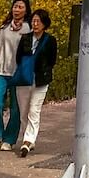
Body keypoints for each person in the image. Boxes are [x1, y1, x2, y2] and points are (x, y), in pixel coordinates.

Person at [0, 0, 32, 150]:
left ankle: (9, 139)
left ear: (26, 10)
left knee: (16, 107)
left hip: (18, 73)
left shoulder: (28, 28)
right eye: (15, 6)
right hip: (2, 71)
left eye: (20, 7)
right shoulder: (5, 27)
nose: (17, 9)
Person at [15, 9, 57, 158]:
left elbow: (52, 60)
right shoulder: (25, 38)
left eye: (38, 21)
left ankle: (28, 140)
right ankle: (28, 137)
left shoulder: (50, 40)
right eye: (33, 20)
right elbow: (18, 57)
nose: (35, 23)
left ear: (45, 23)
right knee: (24, 112)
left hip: (41, 79)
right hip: (24, 79)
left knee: (34, 110)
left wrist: (41, 69)